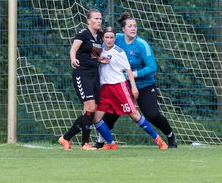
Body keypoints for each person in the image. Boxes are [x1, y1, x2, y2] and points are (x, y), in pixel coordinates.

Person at [96, 12, 178, 148]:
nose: (133, 28)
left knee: (152, 115)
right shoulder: (118, 39)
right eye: (130, 26)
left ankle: (170, 137)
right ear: (123, 29)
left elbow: (152, 67)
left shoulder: (142, 45)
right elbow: (103, 41)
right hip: (123, 85)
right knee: (110, 113)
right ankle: (100, 142)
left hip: (144, 85)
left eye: (135, 26)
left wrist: (135, 74)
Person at [58, 9, 103, 150]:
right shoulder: (83, 34)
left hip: (94, 74)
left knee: (92, 110)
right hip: (82, 73)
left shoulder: (99, 37)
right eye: (96, 18)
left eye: (100, 18)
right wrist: (73, 59)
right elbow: (73, 49)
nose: (99, 20)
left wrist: (102, 59)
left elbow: (94, 56)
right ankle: (85, 144)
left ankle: (65, 138)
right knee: (90, 108)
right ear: (88, 20)